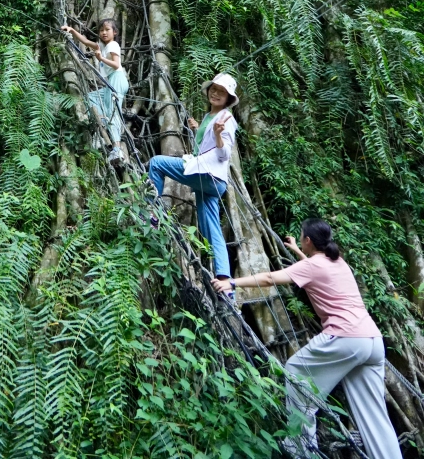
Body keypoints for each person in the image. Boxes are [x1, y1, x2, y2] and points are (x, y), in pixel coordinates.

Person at [212, 219, 402, 459]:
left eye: (301, 236)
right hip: (372, 341)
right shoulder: (338, 261)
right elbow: (315, 269)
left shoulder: (312, 266)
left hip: (345, 336)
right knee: (374, 414)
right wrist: (297, 251)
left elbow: (270, 278)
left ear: (308, 240)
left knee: (295, 371)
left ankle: (301, 448)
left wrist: (231, 282)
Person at [148, 72, 239, 279]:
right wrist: (199, 129)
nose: (215, 93)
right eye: (214, 89)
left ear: (228, 98)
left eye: (222, 92)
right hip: (213, 181)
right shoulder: (210, 117)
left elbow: (224, 154)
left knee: (157, 163)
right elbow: (204, 146)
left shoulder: (226, 119)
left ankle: (152, 216)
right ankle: (225, 280)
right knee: (212, 230)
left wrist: (218, 135)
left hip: (206, 174)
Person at [61, 19, 129, 162]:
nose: (104, 32)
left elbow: (116, 65)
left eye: (107, 30)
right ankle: (102, 127)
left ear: (114, 32)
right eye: (101, 30)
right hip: (111, 81)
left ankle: (117, 150)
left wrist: (101, 58)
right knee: (91, 98)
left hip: (116, 79)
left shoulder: (113, 45)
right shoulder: (102, 46)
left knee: (112, 113)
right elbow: (86, 42)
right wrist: (72, 30)